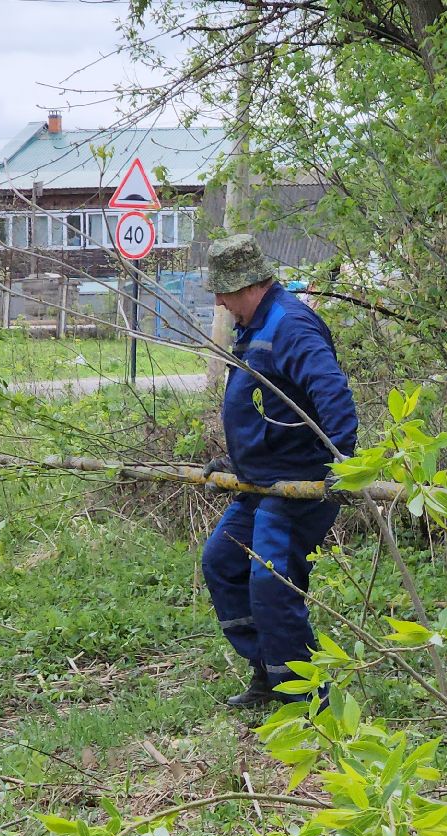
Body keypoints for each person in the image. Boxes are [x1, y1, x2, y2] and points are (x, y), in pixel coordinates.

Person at [198, 234, 358, 707]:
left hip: (297, 485)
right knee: (222, 563)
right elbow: (271, 405)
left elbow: (331, 393)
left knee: (271, 580)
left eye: (223, 293)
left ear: (246, 285)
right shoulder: (257, 324)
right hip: (261, 481)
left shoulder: (290, 325)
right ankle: (268, 674)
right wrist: (240, 460)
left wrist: (344, 463)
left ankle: (307, 697)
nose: (221, 303)